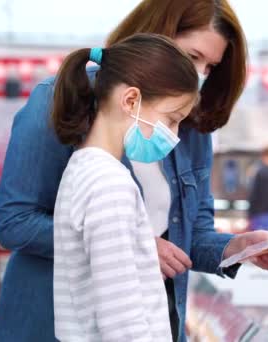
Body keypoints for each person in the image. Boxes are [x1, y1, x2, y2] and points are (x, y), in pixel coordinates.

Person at [0, 1, 268, 342]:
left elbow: (189, 237)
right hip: (45, 322)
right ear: (158, 36)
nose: (199, 75)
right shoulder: (60, 102)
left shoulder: (191, 128)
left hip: (152, 316)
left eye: (210, 67)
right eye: (193, 56)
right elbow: (14, 222)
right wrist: (132, 245)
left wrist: (237, 247)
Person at [52, 34, 196, 342]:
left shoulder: (82, 169)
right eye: (172, 120)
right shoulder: (110, 185)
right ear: (131, 101)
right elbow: (122, 323)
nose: (175, 135)